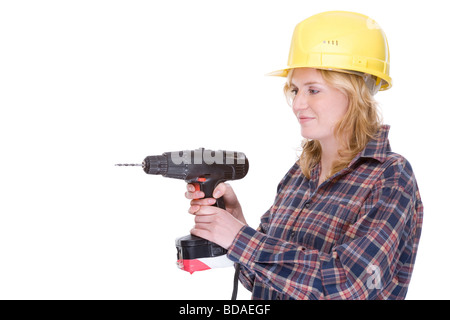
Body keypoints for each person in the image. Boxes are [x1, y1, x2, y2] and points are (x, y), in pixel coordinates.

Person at [185, 11, 423, 300]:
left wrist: (239, 238)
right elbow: (262, 279)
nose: (298, 103)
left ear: (357, 92)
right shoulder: (299, 175)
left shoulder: (389, 176)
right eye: (296, 89)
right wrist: (235, 220)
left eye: (313, 90)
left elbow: (350, 286)